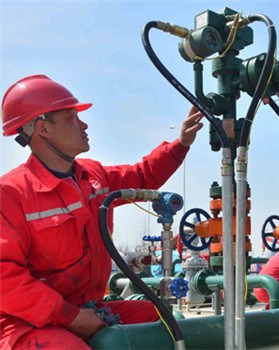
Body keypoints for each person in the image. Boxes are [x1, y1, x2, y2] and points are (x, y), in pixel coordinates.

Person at [0, 74, 204, 349]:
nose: (83, 125)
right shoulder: (11, 194)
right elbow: (5, 279)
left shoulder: (93, 177)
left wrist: (181, 143)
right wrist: (71, 317)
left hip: (87, 308)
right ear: (42, 128)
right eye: (71, 118)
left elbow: (142, 176)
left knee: (166, 322)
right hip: (28, 321)